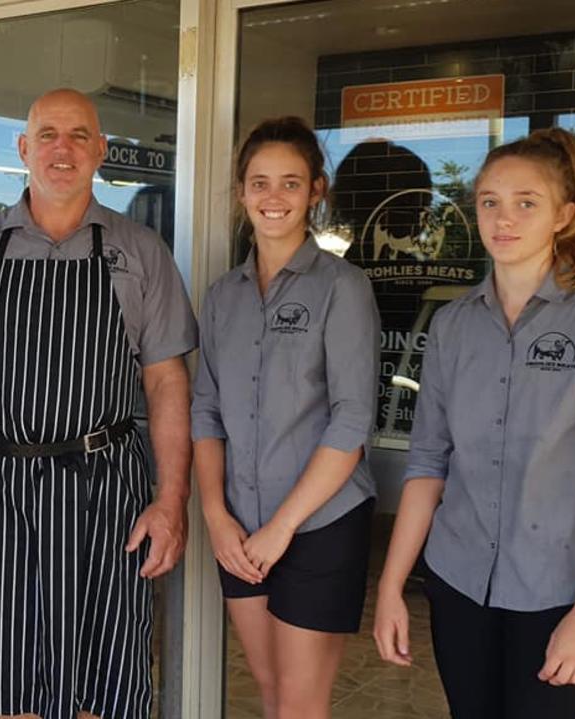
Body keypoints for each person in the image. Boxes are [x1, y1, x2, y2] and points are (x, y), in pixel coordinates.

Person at [0, 88, 197, 719]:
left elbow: (167, 383)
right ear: (23, 149)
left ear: (101, 150)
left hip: (108, 490)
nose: (62, 149)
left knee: (102, 682)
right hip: (0, 495)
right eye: (47, 134)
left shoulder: (142, 253)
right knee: (1, 680)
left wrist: (171, 501)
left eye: (78, 135)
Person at [373, 128, 575, 719]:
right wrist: (390, 586)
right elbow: (429, 462)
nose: (503, 219)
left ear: (564, 214)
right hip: (458, 583)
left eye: (525, 203)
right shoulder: (454, 325)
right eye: (489, 201)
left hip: (554, 592)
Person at [191, 116, 379, 719]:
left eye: (291, 184)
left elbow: (352, 421)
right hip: (242, 526)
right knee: (270, 693)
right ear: (242, 192)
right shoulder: (223, 296)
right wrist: (217, 517)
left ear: (315, 192)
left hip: (320, 523)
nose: (274, 198)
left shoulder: (342, 288)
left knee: (300, 704)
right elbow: (207, 410)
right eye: (260, 183)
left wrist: (282, 528)